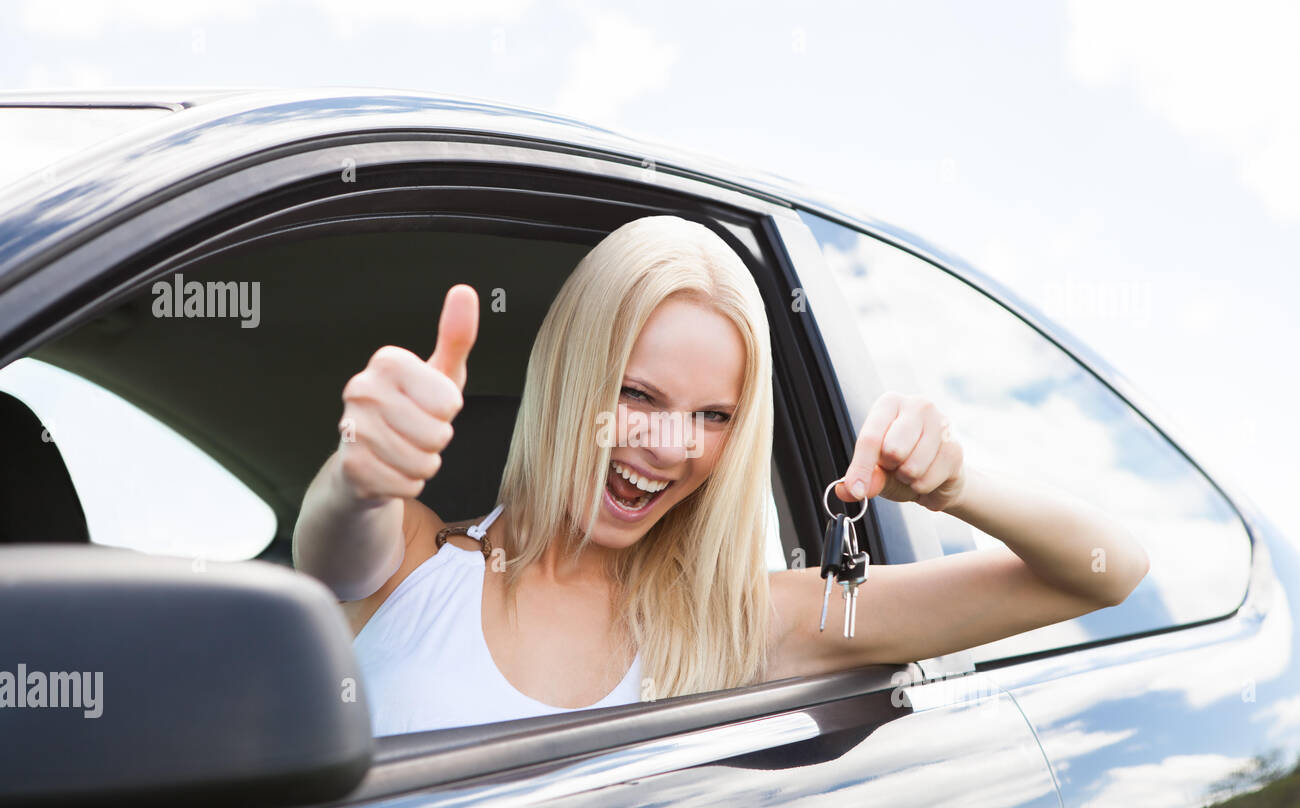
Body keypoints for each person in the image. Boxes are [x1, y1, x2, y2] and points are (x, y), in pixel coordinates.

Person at [292, 215, 1149, 735]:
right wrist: (363, 470)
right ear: (568, 376)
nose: (672, 446)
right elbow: (334, 540)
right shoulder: (411, 555)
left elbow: (1107, 572)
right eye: (637, 394)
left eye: (713, 417)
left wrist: (956, 486)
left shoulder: (741, 624)